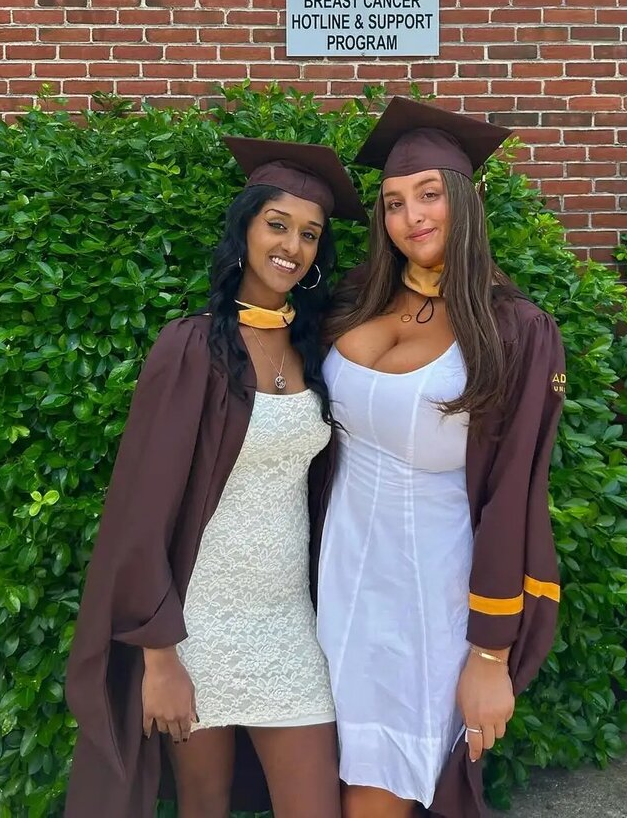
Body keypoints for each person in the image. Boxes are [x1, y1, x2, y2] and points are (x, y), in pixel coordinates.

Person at [64, 137, 366, 818]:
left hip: (288, 622)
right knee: (204, 803)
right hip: (195, 625)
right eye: (277, 225)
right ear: (245, 231)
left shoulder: (315, 349)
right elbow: (142, 512)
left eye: (309, 234)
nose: (292, 246)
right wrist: (159, 658)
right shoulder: (193, 347)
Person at [317, 97, 566, 818]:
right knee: (324, 772)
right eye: (394, 202)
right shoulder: (353, 299)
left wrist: (490, 654)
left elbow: (513, 497)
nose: (411, 217)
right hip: (334, 576)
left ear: (468, 197)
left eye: (429, 194)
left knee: (381, 781)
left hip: (426, 592)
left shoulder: (515, 331)